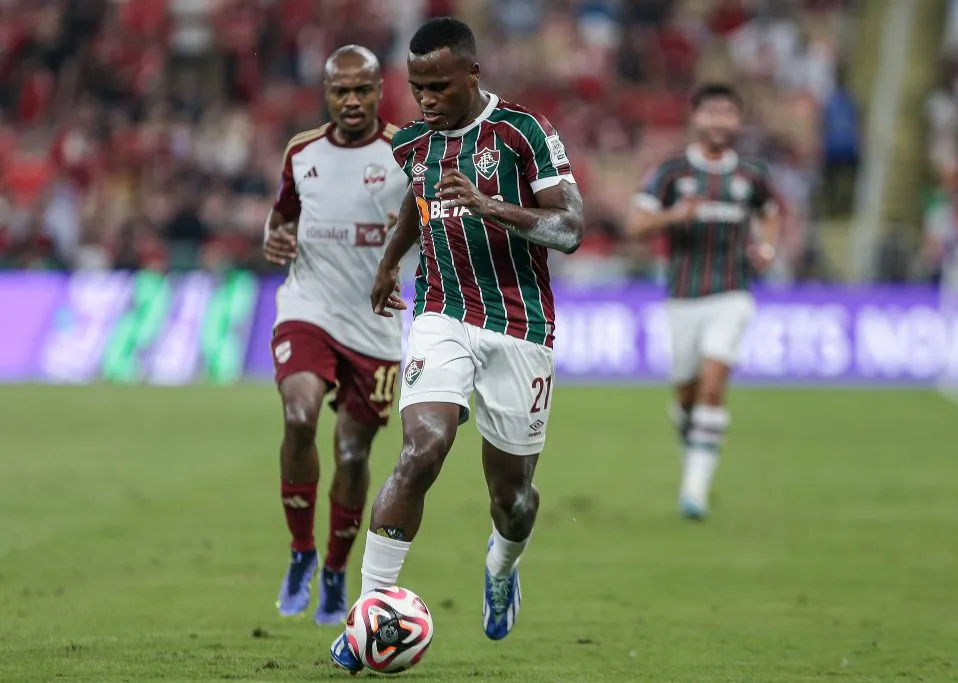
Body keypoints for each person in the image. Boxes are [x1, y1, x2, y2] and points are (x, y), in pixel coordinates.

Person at [330, 17, 583, 671]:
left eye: (439, 85)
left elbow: (571, 228)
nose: (427, 100)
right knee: (422, 448)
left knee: (514, 498)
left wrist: (491, 206)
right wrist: (389, 264)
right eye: (417, 88)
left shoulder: (525, 133)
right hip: (441, 316)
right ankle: (367, 616)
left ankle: (502, 564)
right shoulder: (413, 144)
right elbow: (417, 209)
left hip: (520, 327)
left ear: (472, 74)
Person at [263, 45, 407, 626]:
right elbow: (283, 218)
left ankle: (335, 569)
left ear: (379, 91)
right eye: (340, 90)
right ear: (326, 92)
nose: (351, 100)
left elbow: (434, 226)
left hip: (374, 324)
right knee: (299, 416)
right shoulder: (302, 152)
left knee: (352, 452)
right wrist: (274, 239)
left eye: (362, 90)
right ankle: (301, 551)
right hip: (309, 306)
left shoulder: (405, 152)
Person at [625, 83, 778, 521]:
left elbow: (770, 213)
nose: (719, 121)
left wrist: (767, 248)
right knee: (688, 394)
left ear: (738, 121)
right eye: (711, 112)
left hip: (733, 293)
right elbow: (635, 224)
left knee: (714, 383)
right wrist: (675, 215)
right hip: (683, 298)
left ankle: (695, 490)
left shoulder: (751, 175)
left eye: (727, 113)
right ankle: (691, 441)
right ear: (696, 118)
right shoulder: (671, 172)